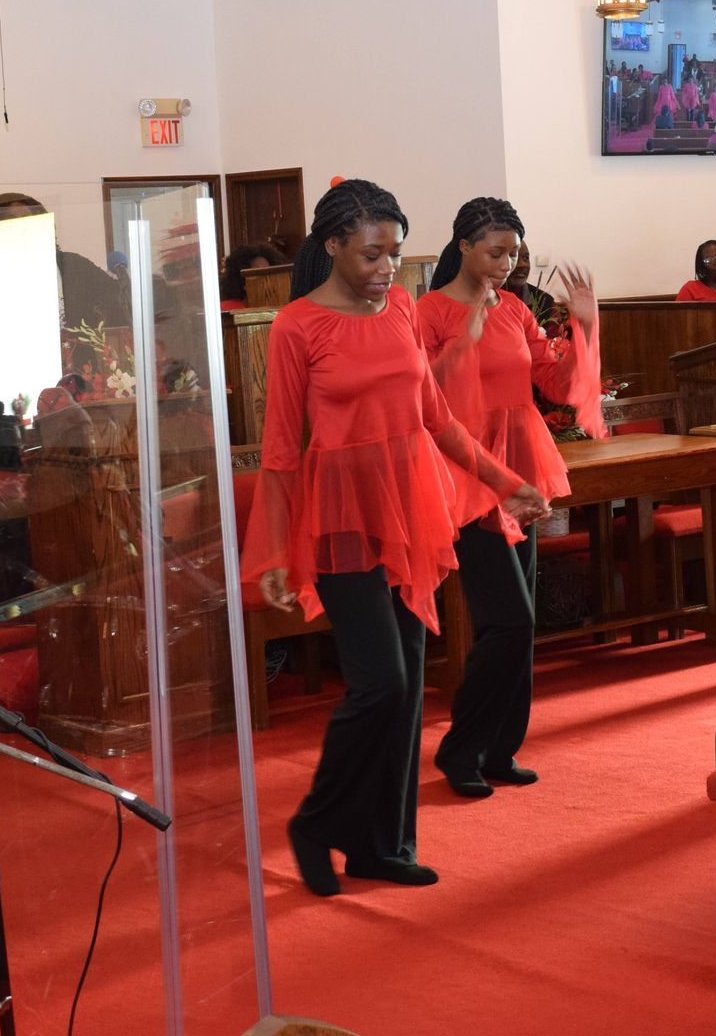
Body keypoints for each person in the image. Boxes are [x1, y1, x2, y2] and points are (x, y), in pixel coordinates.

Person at [243, 179, 548, 896]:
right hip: (342, 515)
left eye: (396, 253)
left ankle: (382, 845)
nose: (387, 268)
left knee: (408, 681)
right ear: (332, 247)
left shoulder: (403, 308)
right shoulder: (296, 326)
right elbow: (280, 449)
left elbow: (436, 418)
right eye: (372, 254)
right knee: (381, 682)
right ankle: (317, 822)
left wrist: (504, 482)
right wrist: (277, 550)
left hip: (411, 509)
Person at [415, 198, 605, 798]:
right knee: (508, 620)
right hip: (466, 471)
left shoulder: (516, 309)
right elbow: (421, 400)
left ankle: (499, 749)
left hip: (521, 467)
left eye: (514, 253)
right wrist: (458, 347)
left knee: (519, 624)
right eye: (496, 252)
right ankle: (460, 748)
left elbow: (559, 385)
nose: (506, 263)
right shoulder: (429, 311)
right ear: (464, 246)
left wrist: (585, 325)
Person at [0, 191, 128, 329]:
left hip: (75, 350)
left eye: (29, 221)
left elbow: (120, 307)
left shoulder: (74, 266)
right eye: (11, 222)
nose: (22, 228)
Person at [219, 243, 281, 311]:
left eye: (269, 273)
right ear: (242, 281)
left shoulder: (280, 306)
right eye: (259, 273)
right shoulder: (223, 310)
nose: (267, 279)